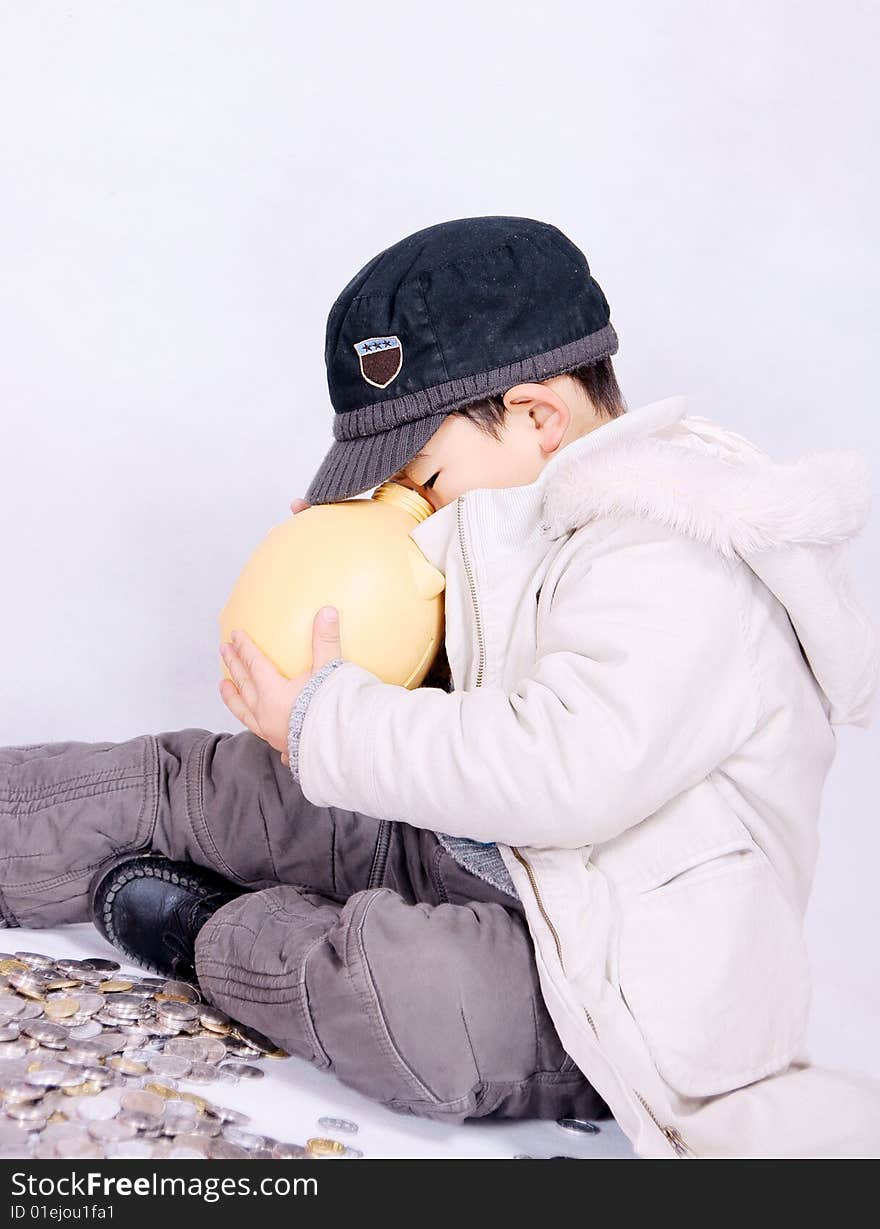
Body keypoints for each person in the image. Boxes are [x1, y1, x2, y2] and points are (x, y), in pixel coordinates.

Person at [3, 216, 879, 1158]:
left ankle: (217, 929)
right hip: (473, 844)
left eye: (420, 476)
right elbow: (475, 693)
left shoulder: (680, 560)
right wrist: (365, 580)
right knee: (209, 783)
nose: (409, 502)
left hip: (598, 972)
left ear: (539, 419)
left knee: (408, 993)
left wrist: (325, 720)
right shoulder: (518, 510)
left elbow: (561, 772)